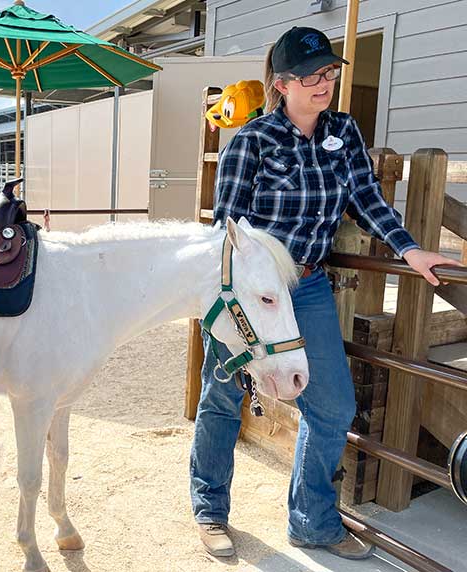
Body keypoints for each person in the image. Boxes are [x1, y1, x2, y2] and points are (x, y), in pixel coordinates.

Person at [189, 26, 456, 560]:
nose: (324, 83)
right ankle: (210, 508)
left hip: (306, 285)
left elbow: (366, 198)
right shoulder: (251, 140)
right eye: (312, 75)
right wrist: (234, 307)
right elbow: (228, 232)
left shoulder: (344, 132)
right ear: (282, 83)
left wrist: (409, 249)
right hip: (250, 289)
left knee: (333, 405)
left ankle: (311, 522)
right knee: (223, 396)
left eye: (330, 73)